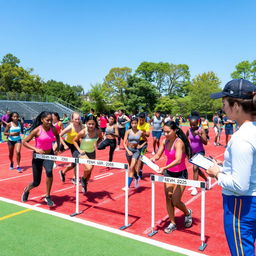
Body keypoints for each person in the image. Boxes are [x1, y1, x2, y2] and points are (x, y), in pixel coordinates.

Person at [207, 79, 256, 255]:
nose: (223, 107)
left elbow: (239, 185)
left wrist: (217, 172)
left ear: (236, 106)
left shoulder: (242, 137)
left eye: (224, 102)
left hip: (241, 205)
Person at [151, 121, 193, 233]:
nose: (165, 134)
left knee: (176, 200)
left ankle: (187, 212)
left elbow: (178, 160)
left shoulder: (179, 143)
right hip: (169, 173)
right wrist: (152, 159)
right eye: (164, 131)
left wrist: (163, 168)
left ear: (175, 130)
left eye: (168, 131)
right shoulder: (164, 141)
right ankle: (173, 223)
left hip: (180, 174)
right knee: (168, 197)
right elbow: (158, 154)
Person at [21, 111, 60, 207]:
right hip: (38, 156)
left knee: (49, 172)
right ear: (42, 120)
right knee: (36, 182)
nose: (50, 122)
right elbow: (24, 142)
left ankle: (48, 196)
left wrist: (57, 146)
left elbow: (58, 136)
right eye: (47, 120)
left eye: (51, 120)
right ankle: (27, 190)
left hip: (49, 155)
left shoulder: (53, 129)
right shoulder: (37, 130)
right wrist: (35, 149)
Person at [73, 115, 103, 193]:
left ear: (95, 124)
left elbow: (101, 138)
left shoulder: (98, 131)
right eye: (89, 124)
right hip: (83, 152)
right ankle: (83, 179)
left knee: (89, 173)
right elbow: (74, 140)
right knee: (88, 168)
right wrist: (79, 150)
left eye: (93, 124)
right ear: (86, 123)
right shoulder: (83, 132)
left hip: (92, 152)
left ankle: (85, 184)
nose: (91, 126)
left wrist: (97, 143)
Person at [186, 114, 210, 196]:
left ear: (198, 123)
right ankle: (206, 179)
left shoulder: (201, 130)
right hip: (192, 152)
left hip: (200, 151)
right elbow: (186, 141)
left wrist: (199, 135)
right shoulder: (188, 130)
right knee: (197, 169)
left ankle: (195, 187)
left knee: (195, 168)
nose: (193, 126)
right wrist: (187, 151)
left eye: (194, 125)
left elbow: (205, 142)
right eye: (191, 125)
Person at [58, 112, 84, 183]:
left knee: (76, 161)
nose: (77, 121)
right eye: (76, 119)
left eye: (79, 119)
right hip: (67, 143)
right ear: (72, 119)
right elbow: (59, 136)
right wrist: (64, 145)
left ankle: (72, 176)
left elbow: (83, 136)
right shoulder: (70, 127)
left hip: (75, 144)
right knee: (55, 152)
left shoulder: (82, 126)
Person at [123, 117, 147, 189]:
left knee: (131, 167)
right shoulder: (128, 131)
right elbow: (124, 143)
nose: (134, 125)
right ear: (131, 124)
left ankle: (127, 186)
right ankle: (136, 177)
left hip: (136, 151)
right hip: (129, 150)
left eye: (135, 123)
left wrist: (141, 145)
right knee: (132, 168)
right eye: (132, 123)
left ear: (137, 123)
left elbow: (146, 140)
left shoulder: (140, 132)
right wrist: (128, 150)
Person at [136, 112, 150, 179]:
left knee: (140, 158)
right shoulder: (136, 123)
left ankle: (139, 171)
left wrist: (142, 132)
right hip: (136, 142)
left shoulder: (147, 125)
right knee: (136, 158)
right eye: (140, 119)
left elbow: (148, 134)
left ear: (145, 119)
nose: (141, 121)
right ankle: (138, 171)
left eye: (142, 120)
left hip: (143, 143)